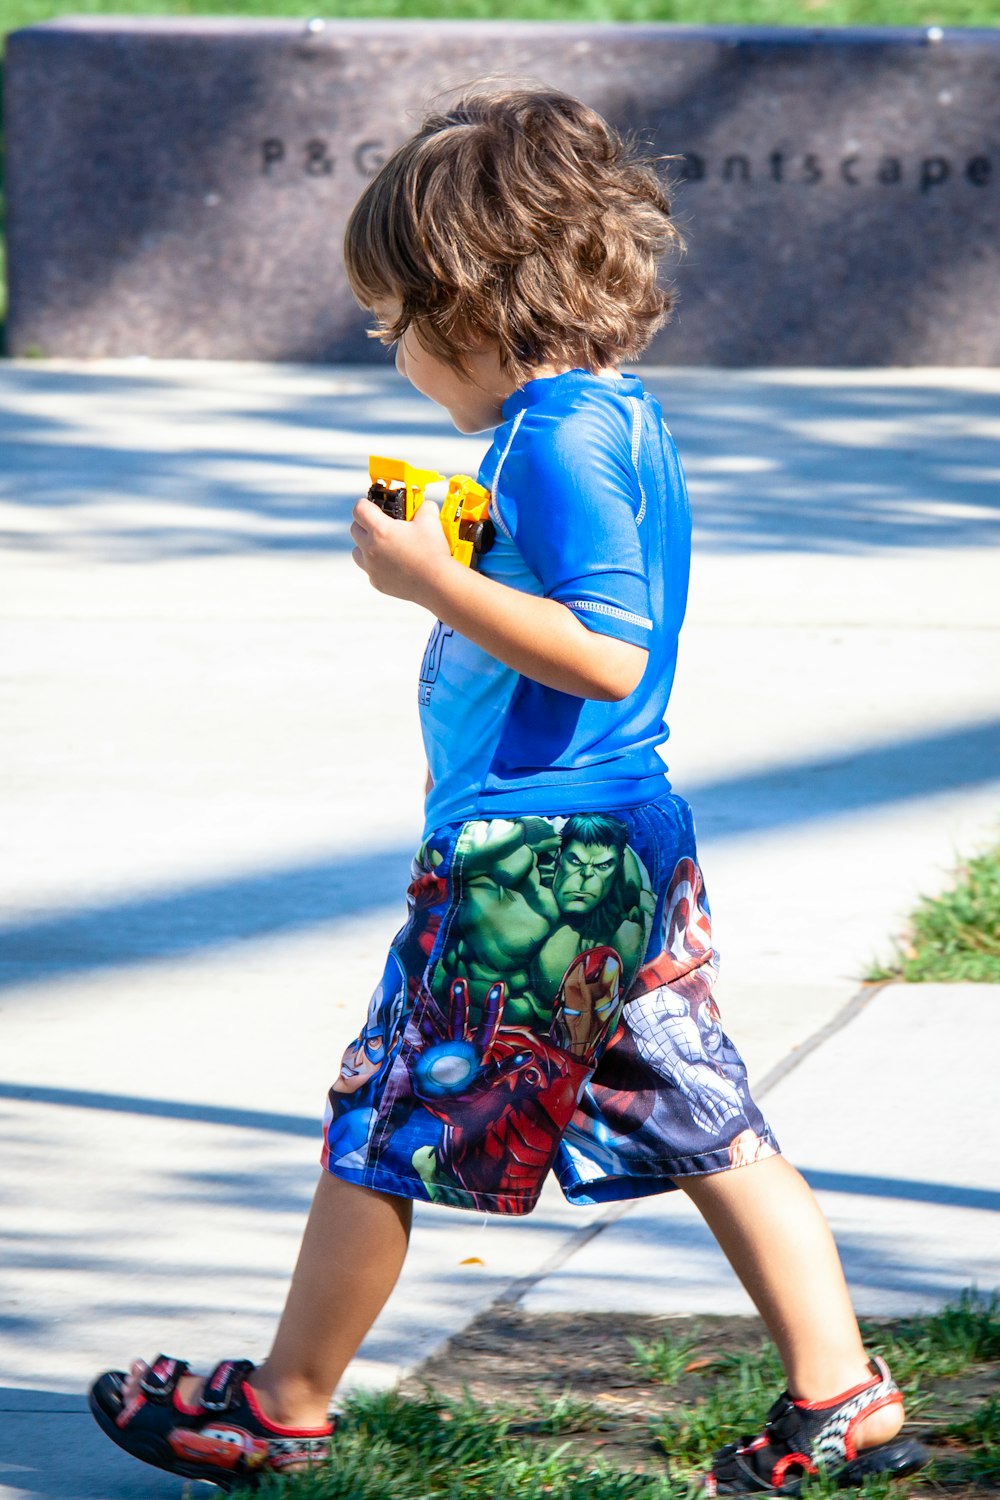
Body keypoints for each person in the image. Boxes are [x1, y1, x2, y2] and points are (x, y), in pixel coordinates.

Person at [88, 84, 927, 1496]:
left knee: (387, 1114)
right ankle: (840, 1392)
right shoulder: (619, 418)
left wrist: (430, 579)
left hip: (534, 865)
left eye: (393, 326)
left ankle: (281, 1406)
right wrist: (469, 562)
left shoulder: (557, 440)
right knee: (704, 1119)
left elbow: (607, 650)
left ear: (469, 302)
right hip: (614, 854)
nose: (393, 354)